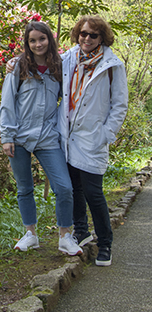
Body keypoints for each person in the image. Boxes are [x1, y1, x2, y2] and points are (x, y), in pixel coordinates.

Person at [0, 20, 83, 256]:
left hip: (48, 137)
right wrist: (7, 136)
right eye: (32, 40)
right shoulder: (18, 66)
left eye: (42, 39)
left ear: (50, 40)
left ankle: (65, 236)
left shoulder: (60, 66)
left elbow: (82, 52)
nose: (38, 44)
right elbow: (7, 102)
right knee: (24, 188)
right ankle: (31, 235)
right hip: (19, 136)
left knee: (64, 188)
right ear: (27, 43)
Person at [57, 15, 128, 266]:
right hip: (68, 135)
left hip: (92, 138)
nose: (86, 38)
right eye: (83, 33)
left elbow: (120, 105)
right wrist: (14, 62)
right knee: (73, 188)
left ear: (102, 38)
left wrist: (106, 134)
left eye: (93, 35)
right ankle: (82, 231)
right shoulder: (68, 58)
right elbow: (39, 62)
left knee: (93, 192)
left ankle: (105, 243)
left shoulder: (112, 65)